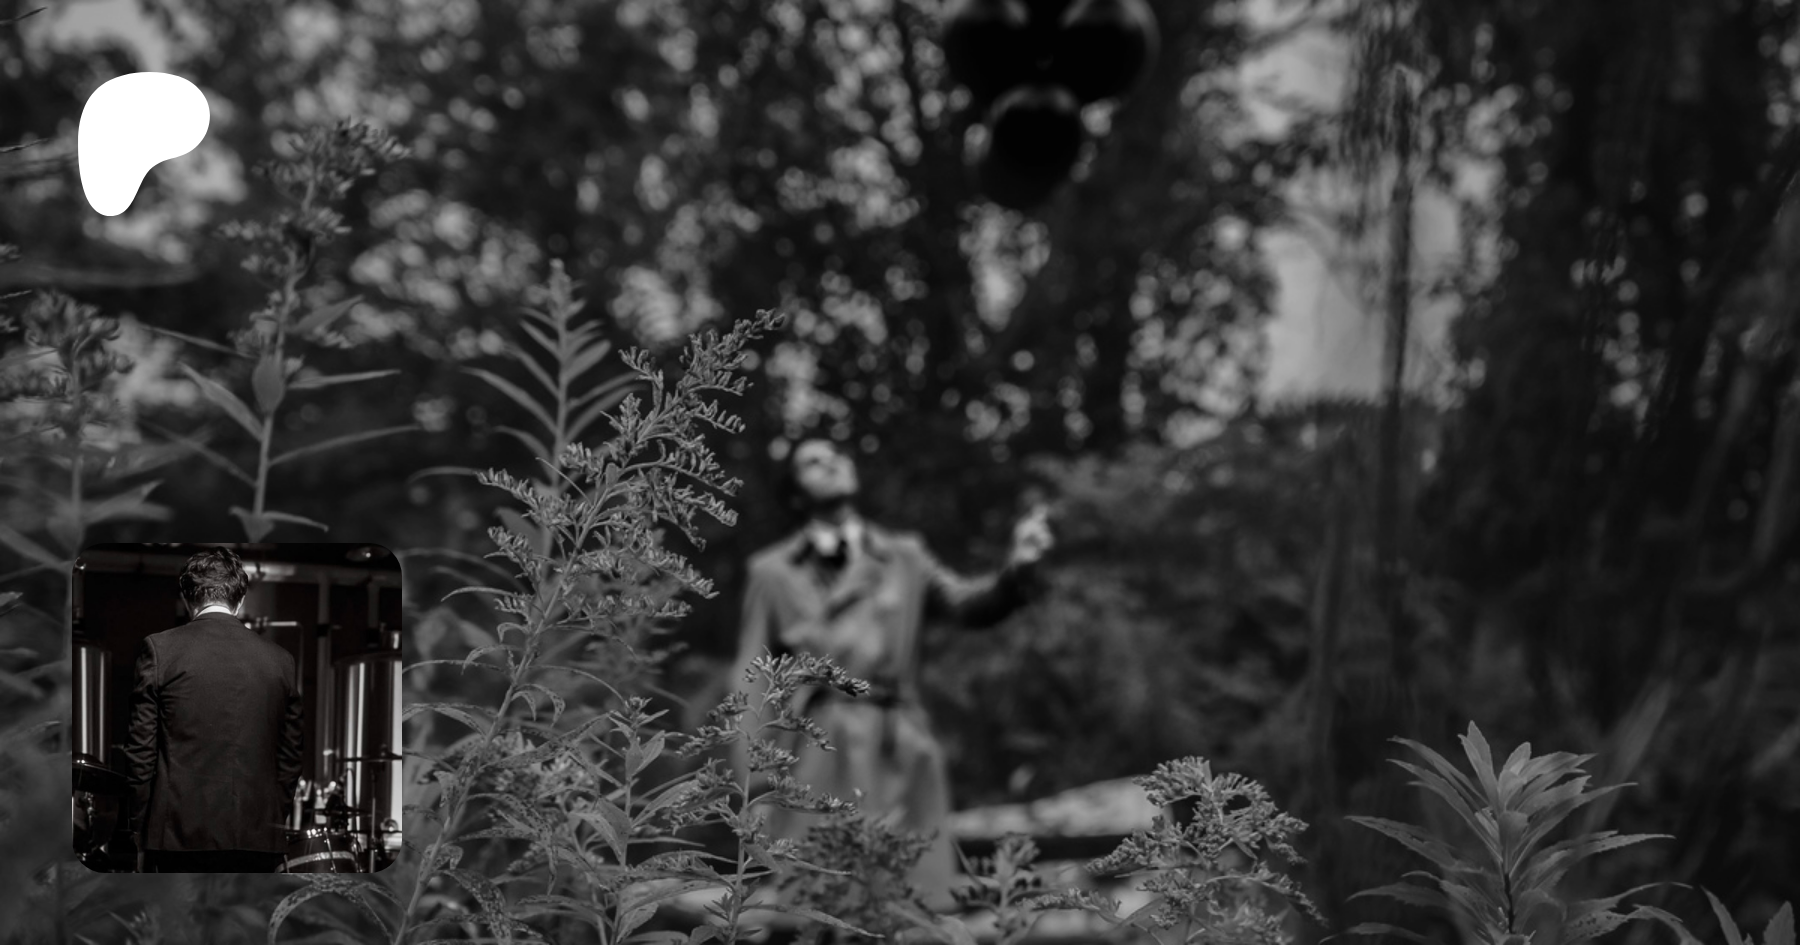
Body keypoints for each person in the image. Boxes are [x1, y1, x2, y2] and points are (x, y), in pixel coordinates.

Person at [729, 437, 1053, 910]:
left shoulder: (905, 555)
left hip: (898, 744)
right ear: (795, 493)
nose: (832, 463)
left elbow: (968, 605)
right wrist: (751, 779)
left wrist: (1017, 568)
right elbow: (751, 674)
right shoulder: (772, 572)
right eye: (814, 462)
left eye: (837, 455)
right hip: (819, 747)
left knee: (910, 899)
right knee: (820, 900)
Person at [122, 547, 304, 872]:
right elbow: (290, 758)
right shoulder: (281, 661)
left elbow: (140, 754)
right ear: (241, 599)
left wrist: (138, 828)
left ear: (186, 598)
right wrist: (272, 819)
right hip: (257, 837)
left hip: (177, 837)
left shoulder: (160, 650)